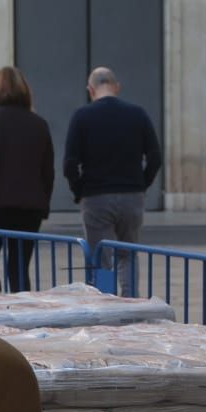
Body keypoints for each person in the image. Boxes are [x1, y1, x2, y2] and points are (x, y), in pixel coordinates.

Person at [62, 67, 162, 297]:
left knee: (100, 259)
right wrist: (141, 185)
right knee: (128, 255)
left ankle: (105, 311)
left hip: (96, 196)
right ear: (117, 87)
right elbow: (155, 158)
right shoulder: (138, 114)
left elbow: (69, 164)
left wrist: (80, 191)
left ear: (90, 90)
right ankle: (129, 309)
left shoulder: (81, 117)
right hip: (131, 196)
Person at [0, 66, 54, 292]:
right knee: (19, 268)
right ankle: (22, 314)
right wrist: (43, 205)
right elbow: (48, 171)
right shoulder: (39, 123)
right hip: (29, 209)